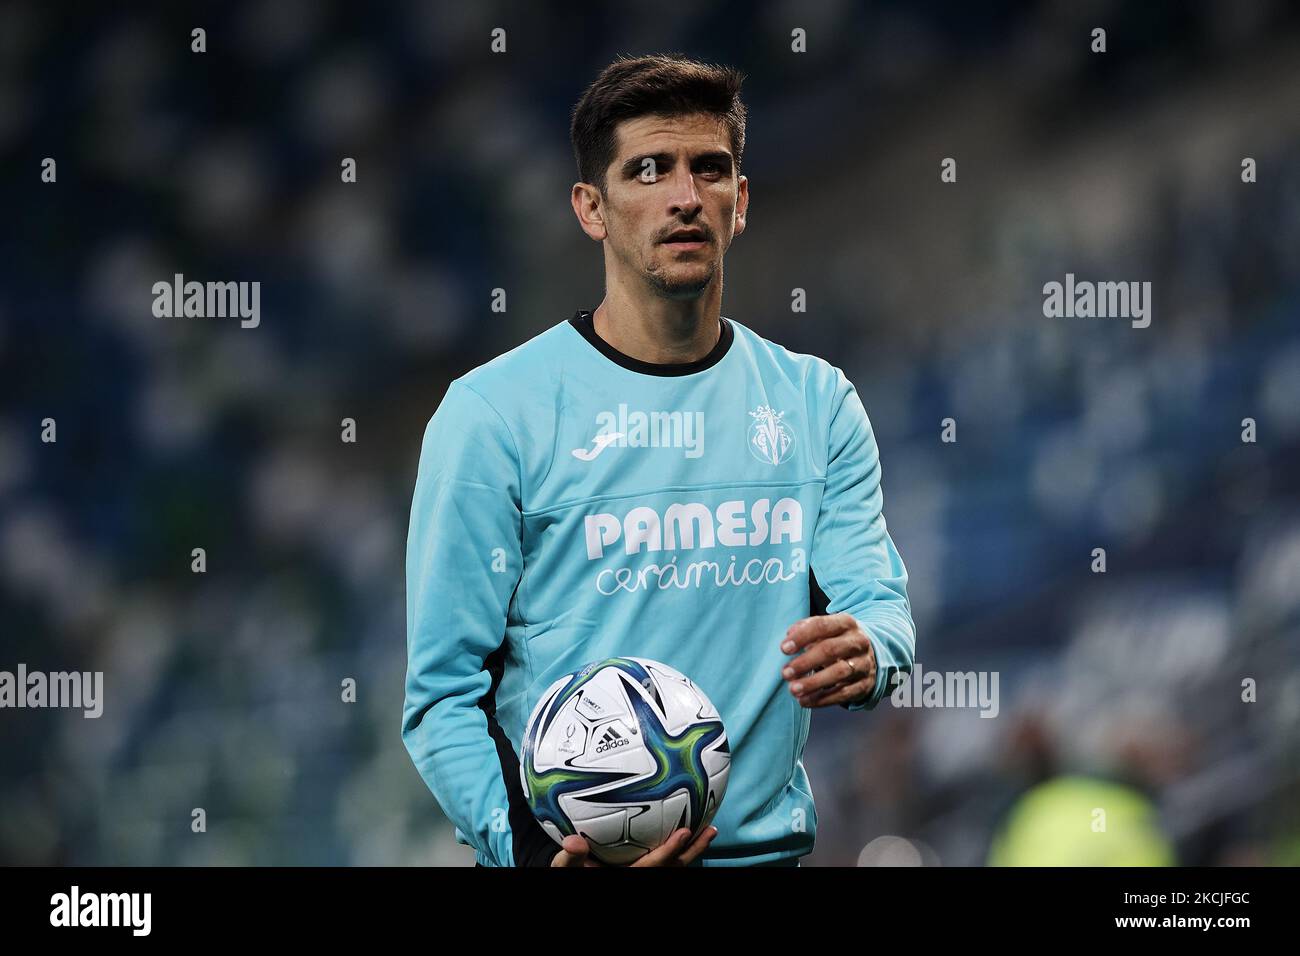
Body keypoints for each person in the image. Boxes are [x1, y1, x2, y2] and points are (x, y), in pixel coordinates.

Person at [402, 53, 915, 867]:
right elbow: (441, 698)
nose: (685, 196)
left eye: (710, 170)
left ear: (739, 203)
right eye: (648, 170)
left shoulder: (816, 406)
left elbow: (880, 609)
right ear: (592, 208)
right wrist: (532, 856)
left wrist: (872, 651)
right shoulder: (492, 416)